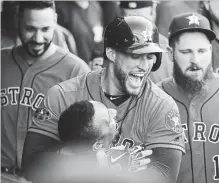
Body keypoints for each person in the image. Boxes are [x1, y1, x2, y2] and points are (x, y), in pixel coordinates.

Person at [23, 15, 185, 183]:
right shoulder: (63, 95)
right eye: (136, 56)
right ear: (111, 53)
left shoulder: (162, 105)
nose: (144, 66)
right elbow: (32, 166)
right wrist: (104, 163)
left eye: (150, 57)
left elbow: (165, 176)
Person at [1, 0, 90, 174]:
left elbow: (88, 139)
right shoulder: (1, 61)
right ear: (18, 20)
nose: (38, 39)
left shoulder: (76, 71)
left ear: (55, 21)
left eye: (45, 29)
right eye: (30, 29)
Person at [159, 12, 219, 183]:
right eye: (186, 52)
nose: (196, 60)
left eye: (202, 51)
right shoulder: (154, 99)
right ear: (170, 53)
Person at [119, 1, 173, 83]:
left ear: (153, 11)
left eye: (141, 17)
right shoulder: (111, 47)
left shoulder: (168, 48)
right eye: (130, 17)